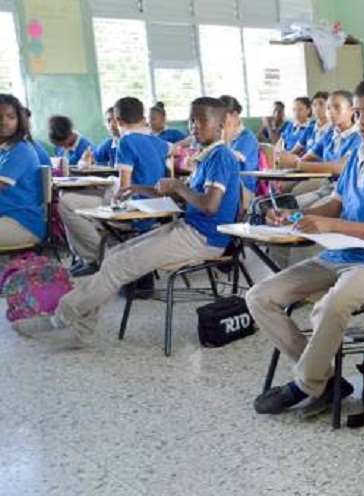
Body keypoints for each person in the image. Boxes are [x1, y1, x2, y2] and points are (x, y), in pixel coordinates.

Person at [245, 75, 364, 414]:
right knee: (259, 297)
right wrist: (297, 216)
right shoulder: (356, 156)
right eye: (358, 113)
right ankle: (324, 379)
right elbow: (336, 204)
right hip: (336, 254)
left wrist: (331, 224)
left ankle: (304, 384)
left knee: (330, 306)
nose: (362, 121)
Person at [14, 97, 242, 345]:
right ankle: (79, 328)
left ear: (220, 126)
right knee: (113, 255)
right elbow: (183, 196)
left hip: (205, 238)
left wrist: (177, 185)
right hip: (189, 229)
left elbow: (209, 206)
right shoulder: (206, 156)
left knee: (118, 264)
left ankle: (60, 320)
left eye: (202, 121)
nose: (194, 126)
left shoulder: (221, 156)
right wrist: (137, 188)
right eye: (191, 120)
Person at [59, 97, 170, 276]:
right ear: (143, 118)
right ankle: (90, 257)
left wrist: (113, 204)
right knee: (74, 201)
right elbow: (174, 149)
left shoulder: (125, 142)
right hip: (155, 203)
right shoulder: (157, 141)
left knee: (66, 202)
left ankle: (100, 258)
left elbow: (125, 188)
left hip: (135, 206)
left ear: (118, 121)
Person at [277, 91, 362, 208]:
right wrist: (287, 162)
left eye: (337, 107)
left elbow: (340, 168)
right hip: (327, 185)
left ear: (352, 110)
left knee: (303, 208)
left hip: (346, 189)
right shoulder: (330, 134)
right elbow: (308, 157)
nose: (331, 112)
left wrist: (296, 164)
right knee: (289, 204)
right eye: (328, 108)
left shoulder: (359, 136)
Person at [0, 94, 45, 246]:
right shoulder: (3, 150)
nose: (4, 121)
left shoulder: (20, 149)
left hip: (22, 222)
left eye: (11, 117)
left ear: (19, 120)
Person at [220, 95, 259, 198]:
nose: (220, 122)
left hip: (244, 190)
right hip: (227, 186)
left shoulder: (247, 138)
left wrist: (225, 137)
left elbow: (228, 164)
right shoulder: (224, 137)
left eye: (223, 118)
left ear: (235, 115)